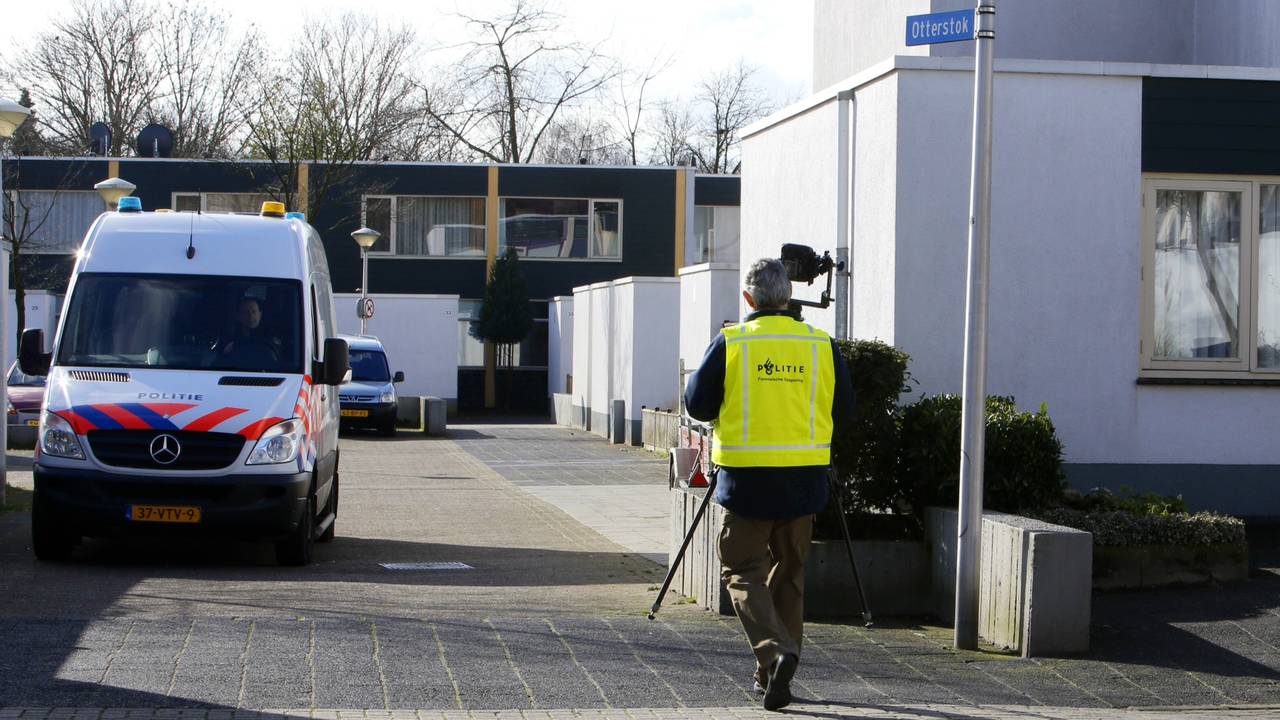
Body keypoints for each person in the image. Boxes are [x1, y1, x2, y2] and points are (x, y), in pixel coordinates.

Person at [683, 257, 854, 712]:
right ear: (787, 298)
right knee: (790, 573)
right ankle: (775, 673)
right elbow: (847, 410)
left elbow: (697, 405)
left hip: (748, 484)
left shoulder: (733, 342)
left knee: (742, 572)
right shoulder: (821, 345)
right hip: (804, 484)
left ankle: (775, 653)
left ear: (748, 299)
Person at [220, 296, 280, 361]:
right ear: (238, 316)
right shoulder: (230, 340)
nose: (251, 316)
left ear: (260, 314)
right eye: (246, 312)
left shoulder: (269, 339)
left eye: (254, 312)